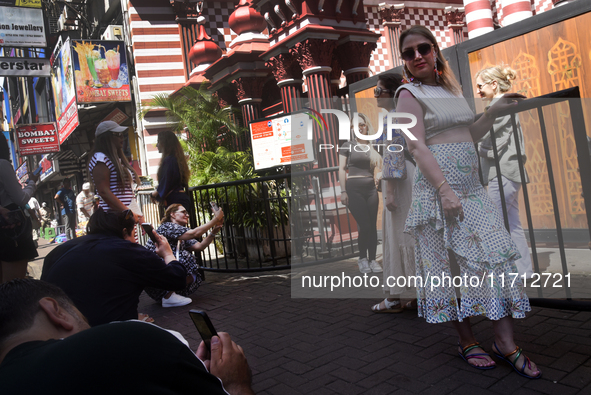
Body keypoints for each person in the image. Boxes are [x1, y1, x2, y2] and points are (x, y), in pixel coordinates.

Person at [395, 25, 540, 378]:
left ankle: (505, 344)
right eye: (409, 52)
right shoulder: (407, 93)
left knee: (496, 257)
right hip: (440, 193)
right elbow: (416, 146)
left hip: (473, 189)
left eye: (423, 48)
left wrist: (493, 111)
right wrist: (444, 190)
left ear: (435, 51)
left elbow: (469, 133)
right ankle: (467, 340)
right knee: (452, 269)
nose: (417, 56)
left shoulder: (450, 89)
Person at [0, 279, 255, 395]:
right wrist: (235, 384)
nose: (89, 329)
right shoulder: (125, 340)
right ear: (55, 311)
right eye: (83, 320)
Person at [41, 208, 196, 326]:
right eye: (134, 235)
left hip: (57, 331)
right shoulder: (128, 251)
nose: (135, 241)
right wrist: (168, 253)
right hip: (105, 336)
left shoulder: (59, 250)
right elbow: (177, 279)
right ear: (124, 232)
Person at [475, 65, 533, 279]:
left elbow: (493, 143)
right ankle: (524, 272)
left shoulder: (501, 106)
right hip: (506, 171)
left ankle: (500, 274)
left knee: (494, 223)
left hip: (504, 171)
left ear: (493, 84)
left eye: (480, 86)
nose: (478, 91)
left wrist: (479, 147)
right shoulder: (502, 105)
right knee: (512, 223)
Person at [371, 73, 417, 313]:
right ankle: (416, 292)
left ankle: (394, 298)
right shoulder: (409, 115)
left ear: (392, 92)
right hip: (413, 176)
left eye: (378, 91)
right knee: (412, 234)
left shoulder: (392, 118)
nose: (375, 95)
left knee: (396, 234)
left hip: (399, 181)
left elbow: (392, 157)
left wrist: (388, 192)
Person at [145, 203, 224, 307]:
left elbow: (199, 247)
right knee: (185, 257)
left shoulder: (180, 233)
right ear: (172, 214)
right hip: (154, 277)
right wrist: (216, 218)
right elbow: (194, 233)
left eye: (187, 213)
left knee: (191, 266)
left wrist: (214, 231)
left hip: (159, 279)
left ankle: (171, 293)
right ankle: (168, 295)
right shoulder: (167, 226)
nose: (187, 215)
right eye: (183, 212)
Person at [339, 113, 383, 274]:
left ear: (366, 126)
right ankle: (362, 259)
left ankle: (373, 260)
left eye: (362, 125)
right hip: (354, 188)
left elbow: (384, 164)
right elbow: (341, 169)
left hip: (371, 188)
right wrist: (343, 191)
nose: (359, 128)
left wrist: (380, 174)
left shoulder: (373, 145)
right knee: (364, 225)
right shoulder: (347, 146)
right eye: (356, 125)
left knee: (371, 226)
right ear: (352, 128)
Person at [88, 121, 144, 223]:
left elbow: (127, 193)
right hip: (113, 218)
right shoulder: (100, 158)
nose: (122, 137)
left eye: (122, 134)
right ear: (106, 138)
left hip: (125, 217)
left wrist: (138, 215)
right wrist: (128, 212)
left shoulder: (117, 160)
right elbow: (103, 191)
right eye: (117, 134)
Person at [0, 136, 39, 282]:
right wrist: (32, 183)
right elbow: (20, 199)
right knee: (13, 284)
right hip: (10, 227)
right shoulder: (2, 165)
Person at [150, 130, 192, 209]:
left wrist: (154, 194)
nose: (157, 145)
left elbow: (166, 181)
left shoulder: (169, 160)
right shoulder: (176, 159)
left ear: (164, 144)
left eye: (158, 142)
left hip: (174, 200)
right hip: (181, 197)